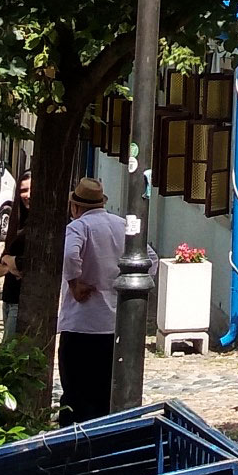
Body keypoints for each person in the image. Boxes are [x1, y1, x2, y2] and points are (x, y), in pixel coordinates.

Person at [56, 177, 154, 425]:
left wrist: (74, 283)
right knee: (104, 393)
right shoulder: (122, 225)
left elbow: (69, 255)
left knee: (76, 395)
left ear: (75, 206)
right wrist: (124, 286)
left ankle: (75, 441)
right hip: (114, 325)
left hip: (81, 324)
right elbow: (150, 258)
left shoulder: (79, 227)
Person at [0, 175, 31, 339]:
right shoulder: (16, 221)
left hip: (22, 301)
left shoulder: (39, 226)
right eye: (23, 190)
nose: (28, 195)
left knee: (7, 348)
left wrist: (10, 261)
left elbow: (25, 265)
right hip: (8, 297)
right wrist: (10, 263)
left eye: (31, 190)